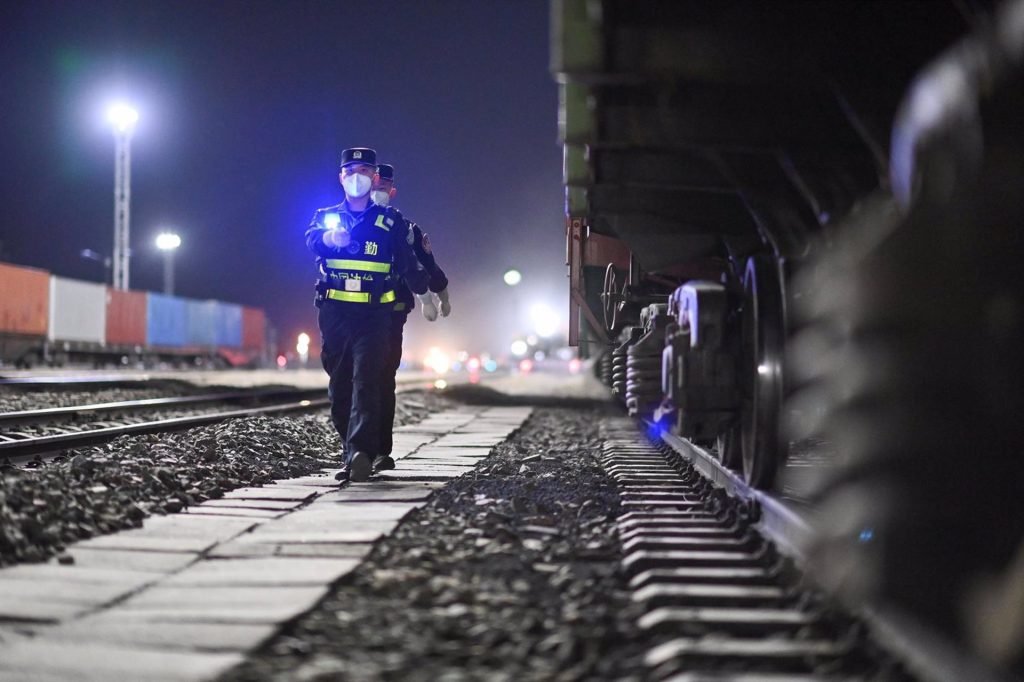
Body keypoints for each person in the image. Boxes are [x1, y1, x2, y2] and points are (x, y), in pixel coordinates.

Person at [305, 147, 430, 483]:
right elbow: (312, 240)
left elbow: (407, 262)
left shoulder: (390, 222)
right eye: (350, 171)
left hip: (375, 314)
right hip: (335, 313)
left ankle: (360, 453)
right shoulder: (325, 216)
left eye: (363, 170)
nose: (356, 177)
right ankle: (353, 449)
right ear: (340, 177)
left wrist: (428, 291)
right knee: (340, 384)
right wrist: (330, 238)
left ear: (375, 178)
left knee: (367, 380)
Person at [370, 163, 451, 474]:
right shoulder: (347, 222)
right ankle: (356, 451)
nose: (377, 190)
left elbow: (427, 264)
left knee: (381, 382)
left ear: (392, 191)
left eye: (383, 185)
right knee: (355, 381)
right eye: (373, 183)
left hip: (391, 314)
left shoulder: (405, 228)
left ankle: (378, 452)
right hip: (355, 313)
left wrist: (439, 293)